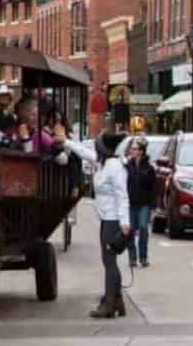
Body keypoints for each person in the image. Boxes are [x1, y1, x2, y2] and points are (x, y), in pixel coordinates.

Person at [56, 127, 130, 319]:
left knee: (109, 262)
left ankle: (108, 303)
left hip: (114, 220)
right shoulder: (103, 163)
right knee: (109, 261)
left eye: (98, 147)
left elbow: (122, 196)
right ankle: (118, 301)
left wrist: (125, 222)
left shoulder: (115, 168)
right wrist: (66, 141)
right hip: (106, 218)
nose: (95, 150)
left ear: (104, 149)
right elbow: (84, 153)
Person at [125, 137, 156, 269]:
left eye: (135, 149)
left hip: (144, 203)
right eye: (131, 148)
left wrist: (152, 205)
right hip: (130, 203)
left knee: (143, 227)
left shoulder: (149, 167)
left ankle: (143, 257)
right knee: (130, 230)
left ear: (141, 151)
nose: (132, 151)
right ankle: (132, 258)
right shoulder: (127, 166)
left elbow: (153, 187)